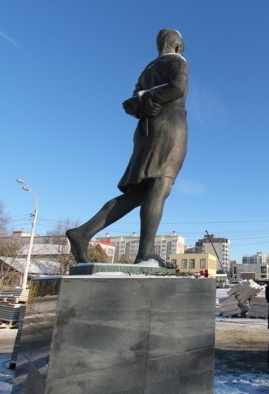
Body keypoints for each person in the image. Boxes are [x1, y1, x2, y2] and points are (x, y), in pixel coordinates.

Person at [66, 28, 189, 266]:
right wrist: (150, 99)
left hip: (145, 131)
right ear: (176, 46)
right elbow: (178, 88)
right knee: (160, 186)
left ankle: (83, 233)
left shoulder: (147, 70)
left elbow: (131, 103)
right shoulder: (179, 63)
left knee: (138, 193)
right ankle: (145, 253)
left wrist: (144, 101)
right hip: (170, 129)